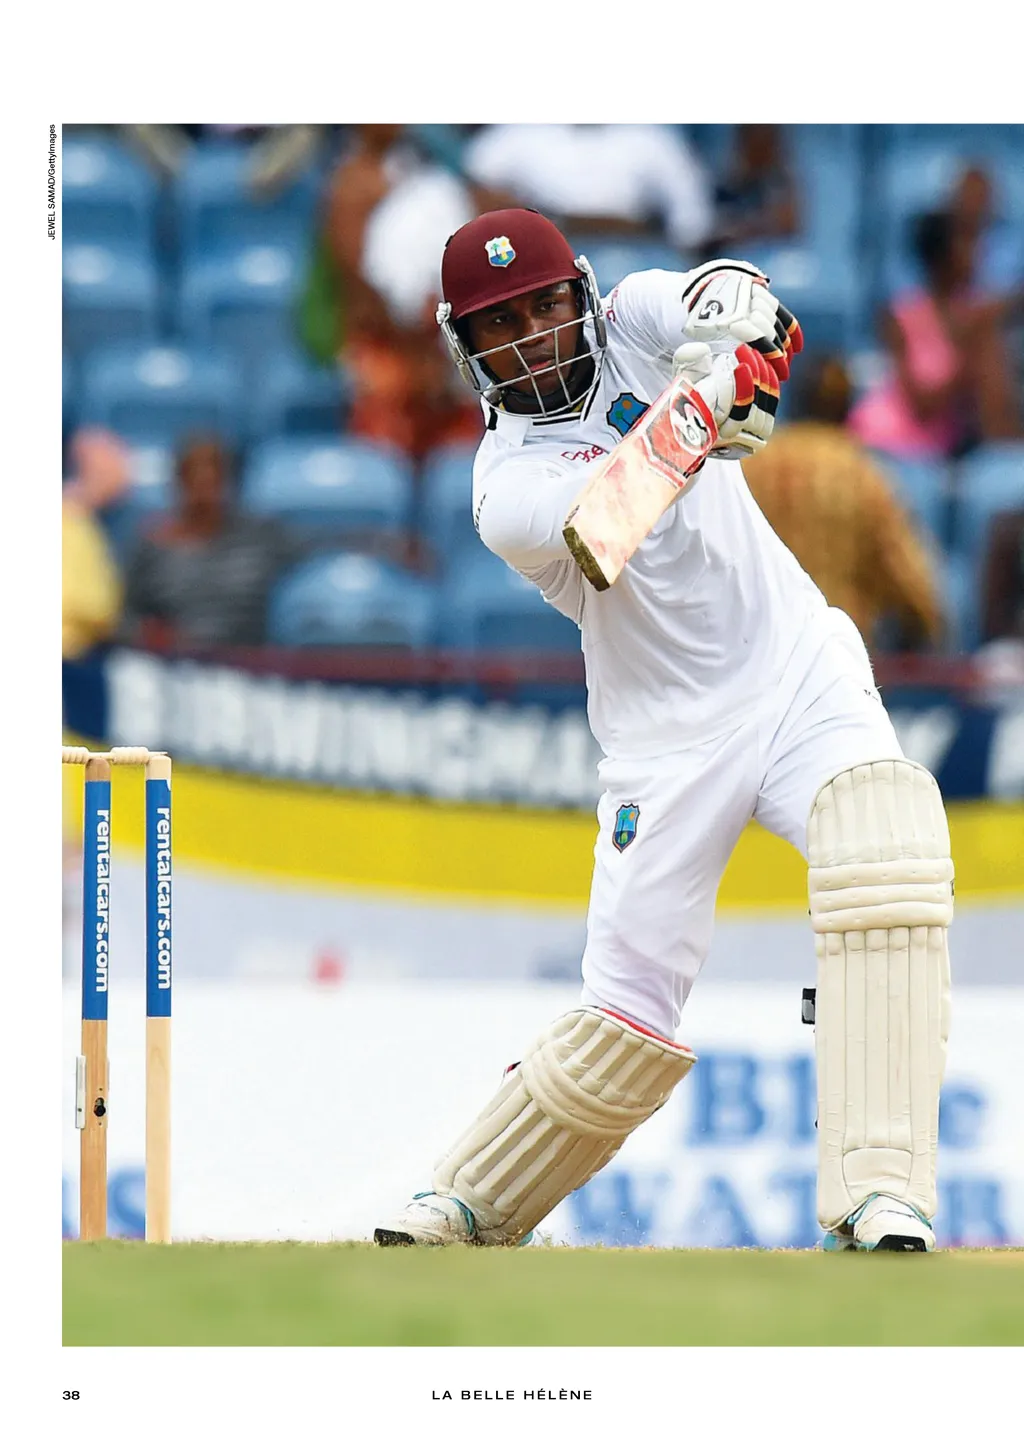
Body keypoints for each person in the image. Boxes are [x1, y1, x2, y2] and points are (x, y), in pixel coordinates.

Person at [374, 209, 955, 1255]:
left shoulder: (632, 318)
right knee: (625, 1018)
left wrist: (746, 324)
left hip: (796, 669)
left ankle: (881, 1195)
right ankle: (470, 1199)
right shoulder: (504, 490)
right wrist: (714, 395)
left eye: (545, 306)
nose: (533, 336)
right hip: (664, 746)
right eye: (500, 323)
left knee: (887, 848)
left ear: (580, 294)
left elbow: (727, 300)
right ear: (466, 348)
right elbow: (610, 522)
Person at [742, 354, 945, 651]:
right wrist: (926, 628)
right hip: (836, 654)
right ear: (847, 405)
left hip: (755, 646)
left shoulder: (752, 463)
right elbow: (912, 582)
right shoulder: (864, 472)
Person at [320, 125, 487, 462]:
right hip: (387, 348)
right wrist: (417, 349)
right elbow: (359, 283)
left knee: (458, 463)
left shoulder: (432, 179)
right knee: (383, 462)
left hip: (441, 348)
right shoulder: (352, 185)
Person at [849, 209, 1023, 460]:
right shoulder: (901, 317)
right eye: (966, 243)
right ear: (941, 255)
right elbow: (922, 406)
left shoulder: (977, 316)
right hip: (886, 443)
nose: (977, 252)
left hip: (942, 453)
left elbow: (993, 407)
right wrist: (967, 352)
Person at [121, 436, 300, 648]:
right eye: (195, 482)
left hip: (250, 660)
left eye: (213, 483)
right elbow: (124, 617)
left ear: (230, 483)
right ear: (178, 483)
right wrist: (148, 634)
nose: (204, 494)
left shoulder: (263, 537)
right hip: (174, 661)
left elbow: (316, 550)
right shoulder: (152, 545)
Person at [463, 124, 713, 255]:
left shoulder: (651, 136)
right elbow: (476, 192)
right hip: (546, 244)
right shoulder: (515, 132)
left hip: (634, 247)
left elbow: (692, 222)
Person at [62, 428, 130, 660]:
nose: (125, 479)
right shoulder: (68, 521)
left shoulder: (86, 521)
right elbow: (91, 605)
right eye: (116, 468)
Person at [706, 123, 800, 253]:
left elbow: (787, 225)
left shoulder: (779, 183)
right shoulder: (725, 189)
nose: (759, 150)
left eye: (765, 144)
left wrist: (746, 230)